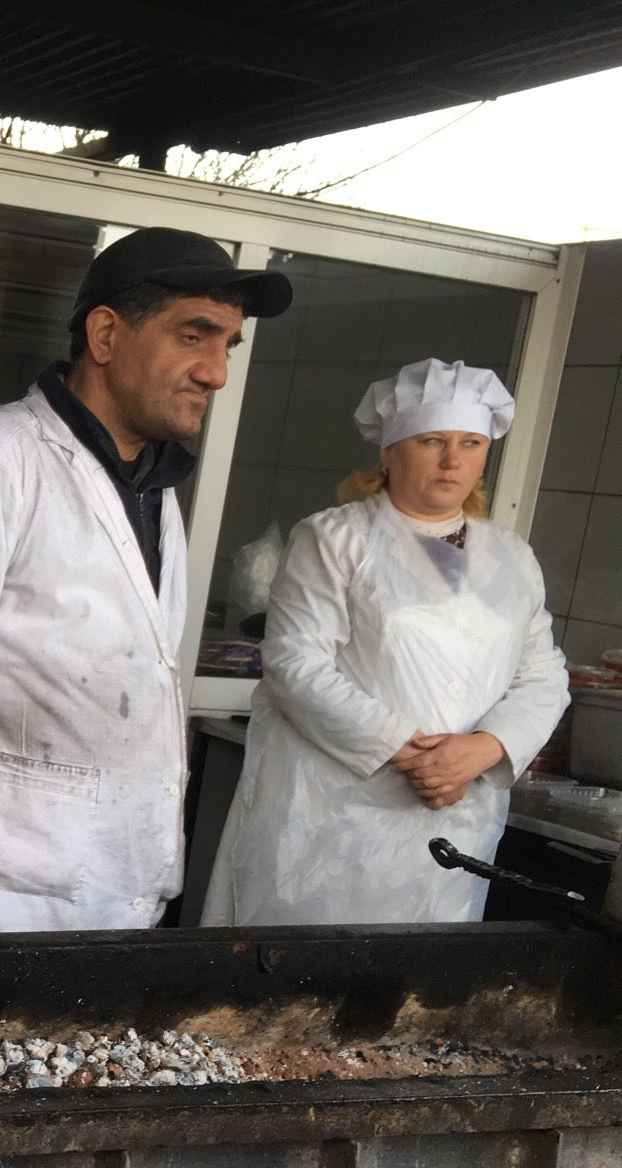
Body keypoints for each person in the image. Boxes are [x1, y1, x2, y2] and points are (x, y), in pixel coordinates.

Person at [0, 228, 292, 934]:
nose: (216, 371)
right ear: (105, 334)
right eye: (194, 336)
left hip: (121, 891)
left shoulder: (155, 487)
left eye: (226, 347)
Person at [203, 358, 570, 925]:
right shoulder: (335, 538)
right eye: (432, 440)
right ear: (389, 452)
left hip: (459, 818)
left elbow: (543, 675)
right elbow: (295, 663)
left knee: (412, 992)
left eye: (471, 443)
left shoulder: (512, 557)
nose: (453, 460)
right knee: (302, 985)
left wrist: (484, 750)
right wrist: (413, 753)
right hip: (334, 815)